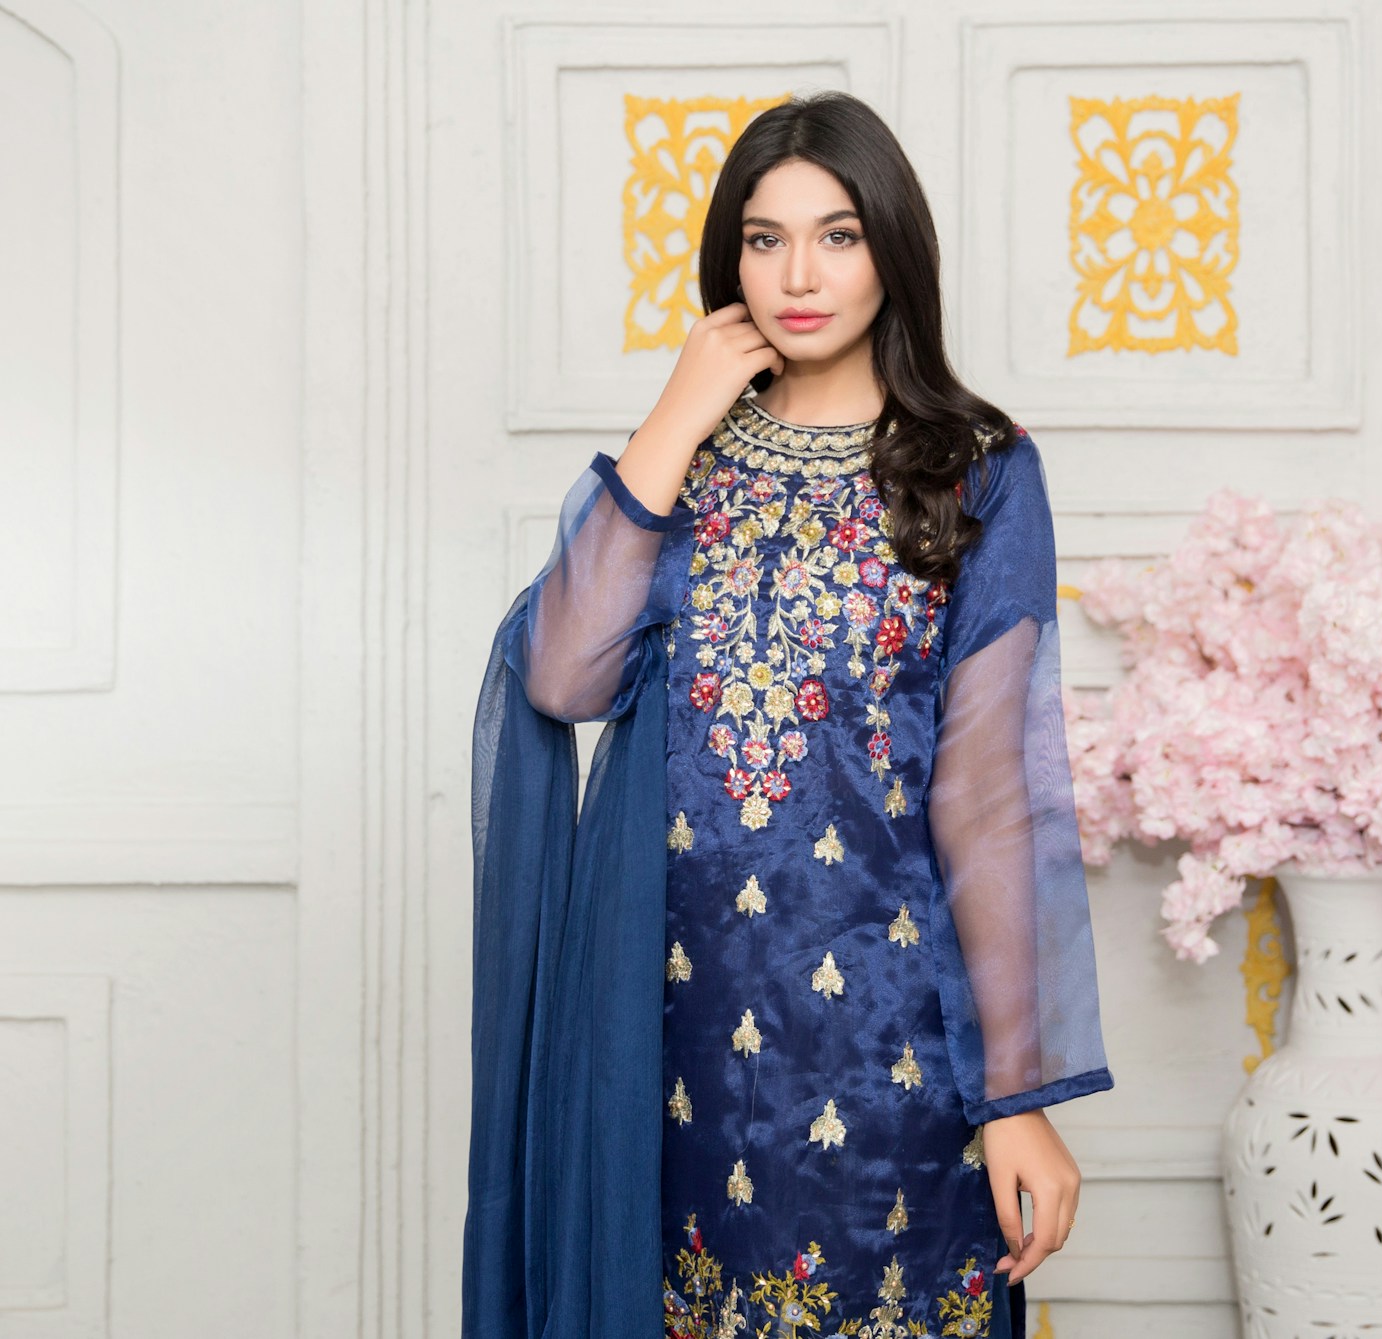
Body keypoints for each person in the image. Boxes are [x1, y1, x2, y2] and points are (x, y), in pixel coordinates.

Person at [463, 90, 1113, 1339]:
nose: (798, 276)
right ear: (731, 260)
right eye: (765, 240)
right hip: (673, 1035)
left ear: (892, 248)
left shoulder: (976, 469)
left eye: (838, 235)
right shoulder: (685, 462)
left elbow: (986, 794)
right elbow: (559, 678)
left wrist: (1016, 1096)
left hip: (893, 1040)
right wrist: (678, 410)